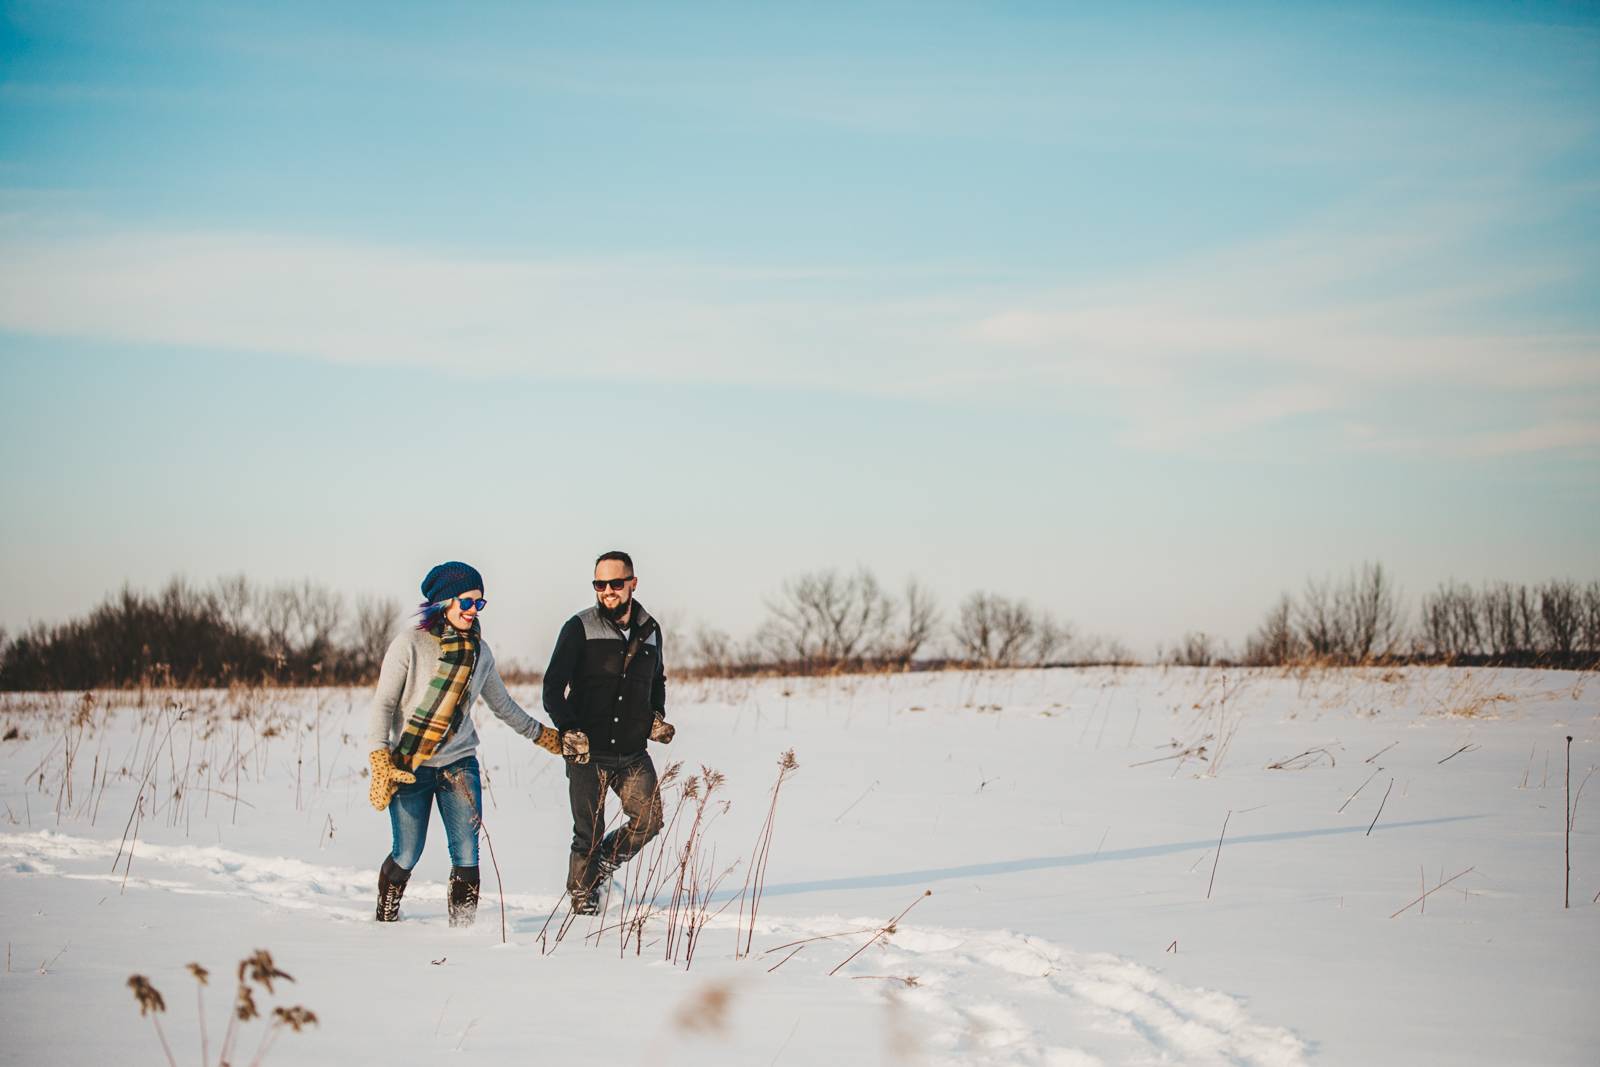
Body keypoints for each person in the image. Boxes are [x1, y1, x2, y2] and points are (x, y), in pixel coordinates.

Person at [366, 561, 562, 925]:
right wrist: (380, 756)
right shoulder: (409, 644)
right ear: (443, 603)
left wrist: (544, 736)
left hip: (459, 765)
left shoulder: (480, 652)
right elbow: (384, 703)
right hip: (409, 766)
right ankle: (386, 917)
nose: (473, 611)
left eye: (479, 604)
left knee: (467, 855)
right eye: (466, 602)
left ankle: (463, 931)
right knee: (407, 852)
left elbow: (502, 705)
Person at [542, 550, 676, 914]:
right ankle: (583, 903)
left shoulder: (651, 630)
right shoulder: (579, 627)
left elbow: (657, 681)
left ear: (632, 583)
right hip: (589, 752)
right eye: (599, 585)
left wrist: (656, 716)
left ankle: (600, 866)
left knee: (649, 820)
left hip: (632, 751)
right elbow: (552, 688)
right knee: (587, 833)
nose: (607, 591)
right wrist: (568, 728)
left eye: (615, 583)